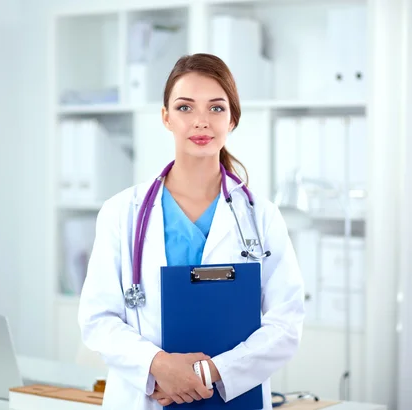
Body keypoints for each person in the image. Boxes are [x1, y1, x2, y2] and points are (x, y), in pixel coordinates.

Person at [78, 53, 305, 410]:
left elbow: (286, 324)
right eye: (185, 108)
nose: (201, 122)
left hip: (232, 397)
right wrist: (159, 366)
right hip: (148, 397)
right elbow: (97, 319)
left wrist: (211, 371)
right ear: (166, 117)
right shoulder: (122, 212)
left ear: (232, 120)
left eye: (216, 108)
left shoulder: (261, 217)